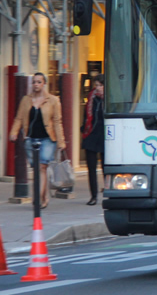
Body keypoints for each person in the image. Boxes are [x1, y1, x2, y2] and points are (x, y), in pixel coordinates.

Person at [9, 72, 66, 209]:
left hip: (47, 138)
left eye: (39, 82)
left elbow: (57, 122)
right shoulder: (26, 100)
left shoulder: (53, 100)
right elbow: (19, 118)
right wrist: (14, 132)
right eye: (34, 82)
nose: (36, 84)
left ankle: (37, 198)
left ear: (44, 83)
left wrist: (61, 141)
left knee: (42, 166)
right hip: (31, 137)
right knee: (36, 169)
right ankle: (43, 196)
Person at [80, 74, 105, 206]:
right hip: (91, 134)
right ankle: (93, 196)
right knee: (91, 167)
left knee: (106, 167)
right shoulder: (91, 97)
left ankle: (108, 193)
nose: (98, 88)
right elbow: (87, 115)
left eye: (101, 85)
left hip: (105, 135)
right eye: (96, 85)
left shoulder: (110, 99)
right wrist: (84, 127)